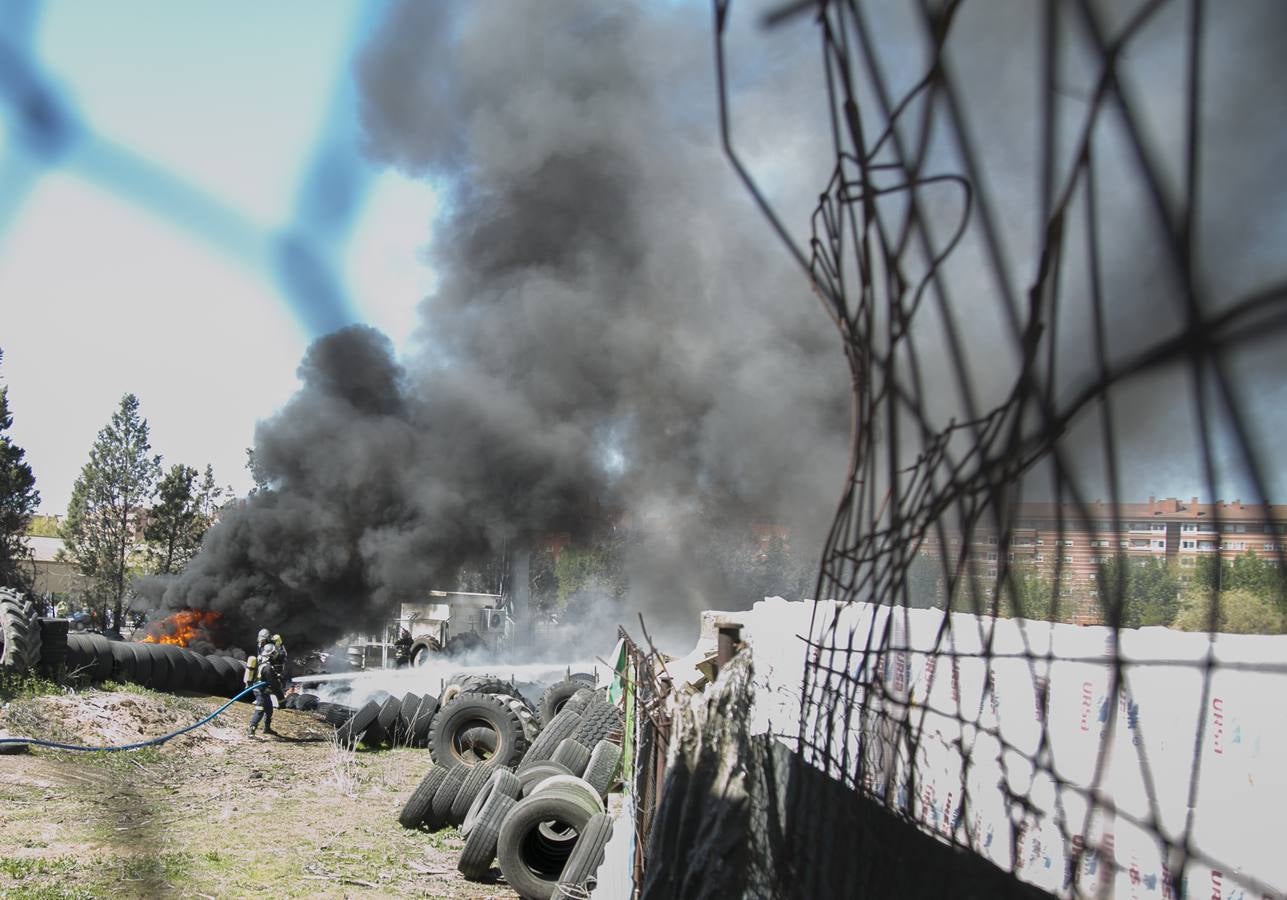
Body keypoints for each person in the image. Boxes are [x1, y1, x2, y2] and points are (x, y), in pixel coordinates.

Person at [245, 646, 282, 738]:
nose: (276, 655)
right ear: (270, 655)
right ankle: (251, 730)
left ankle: (267, 729)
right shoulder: (267, 667)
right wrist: (281, 699)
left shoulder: (261, 660)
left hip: (262, 689)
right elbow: (274, 684)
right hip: (260, 690)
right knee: (260, 710)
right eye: (274, 653)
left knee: (269, 708)